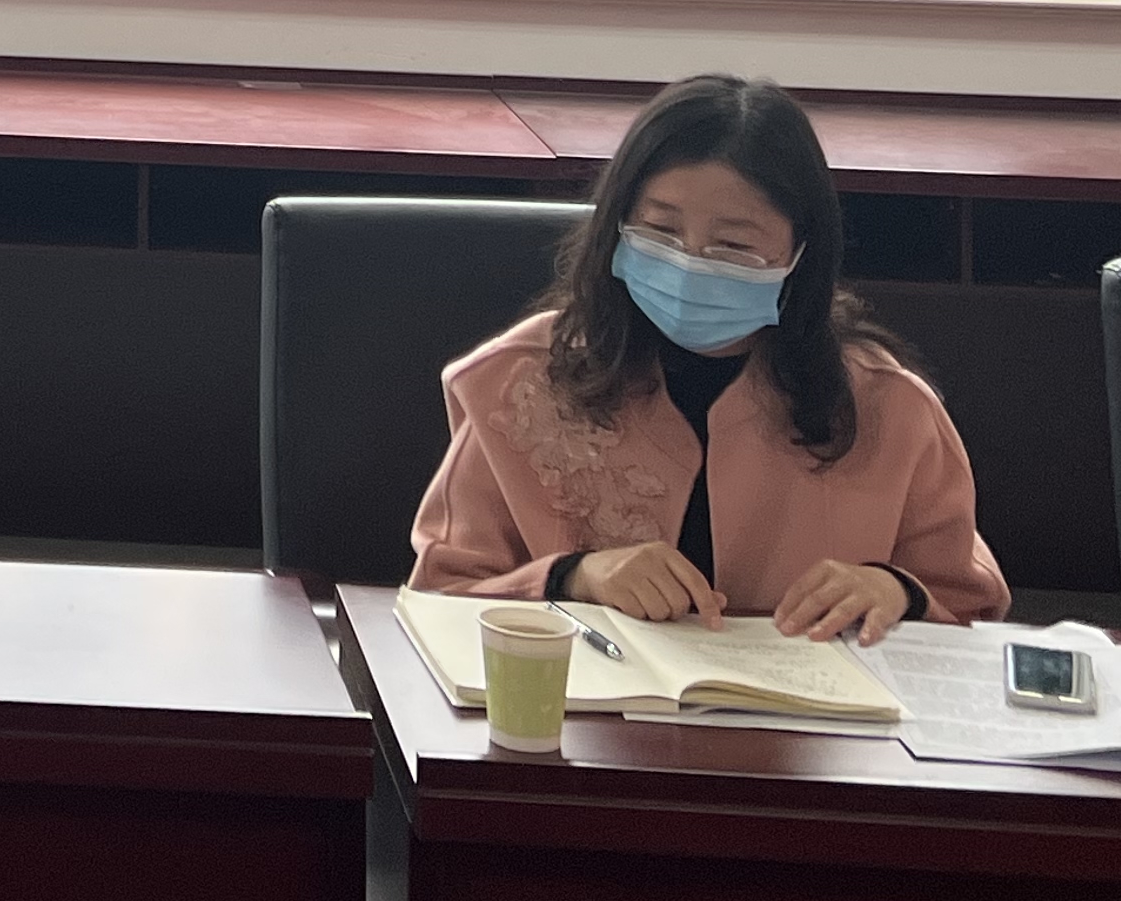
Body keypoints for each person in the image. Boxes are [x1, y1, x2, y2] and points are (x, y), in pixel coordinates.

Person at [408, 72, 1006, 640]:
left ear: (800, 256)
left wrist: (896, 590)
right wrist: (573, 577)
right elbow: (438, 596)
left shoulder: (885, 407)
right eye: (661, 232)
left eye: (733, 245)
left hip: (809, 707)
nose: (689, 264)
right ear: (617, 227)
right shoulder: (525, 379)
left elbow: (970, 608)